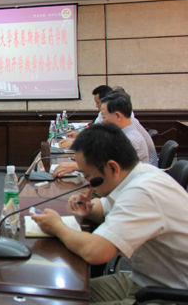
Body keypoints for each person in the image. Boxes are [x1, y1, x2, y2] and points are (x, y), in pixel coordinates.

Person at [32, 123, 188, 304]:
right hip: (143, 281)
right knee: (61, 296)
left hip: (168, 296)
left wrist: (57, 227)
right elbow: (105, 207)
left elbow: (95, 252)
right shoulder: (139, 174)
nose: (88, 184)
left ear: (112, 168)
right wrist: (88, 208)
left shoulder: (143, 192)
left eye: (88, 176)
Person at [54, 91, 154, 176]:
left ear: (117, 116)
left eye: (104, 117)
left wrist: (78, 166)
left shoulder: (131, 140)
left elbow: (109, 168)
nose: (103, 121)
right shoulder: (120, 135)